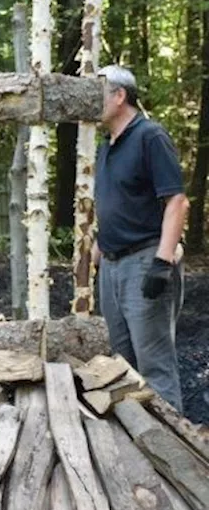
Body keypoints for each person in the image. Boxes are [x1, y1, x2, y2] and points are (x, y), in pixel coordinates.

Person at [93, 65, 190, 412]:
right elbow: (112, 201)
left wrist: (162, 263)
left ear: (120, 96)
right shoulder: (106, 146)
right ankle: (138, 454)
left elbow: (177, 201)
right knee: (122, 365)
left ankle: (173, 458)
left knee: (154, 366)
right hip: (112, 264)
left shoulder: (150, 137)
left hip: (145, 260)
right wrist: (98, 248)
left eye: (98, 93)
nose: (91, 102)